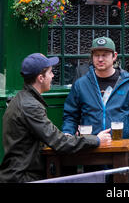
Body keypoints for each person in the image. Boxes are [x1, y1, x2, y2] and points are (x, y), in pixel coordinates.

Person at [0, 53, 111, 183]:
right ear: (41, 78)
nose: (53, 76)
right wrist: (96, 140)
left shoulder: (23, 100)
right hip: (24, 177)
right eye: (50, 72)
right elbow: (59, 142)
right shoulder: (30, 106)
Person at [62, 37, 129, 153]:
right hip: (91, 150)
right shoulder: (81, 84)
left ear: (114, 56)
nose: (100, 59)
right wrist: (67, 132)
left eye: (104, 55)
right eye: (96, 55)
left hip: (123, 148)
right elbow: (70, 116)